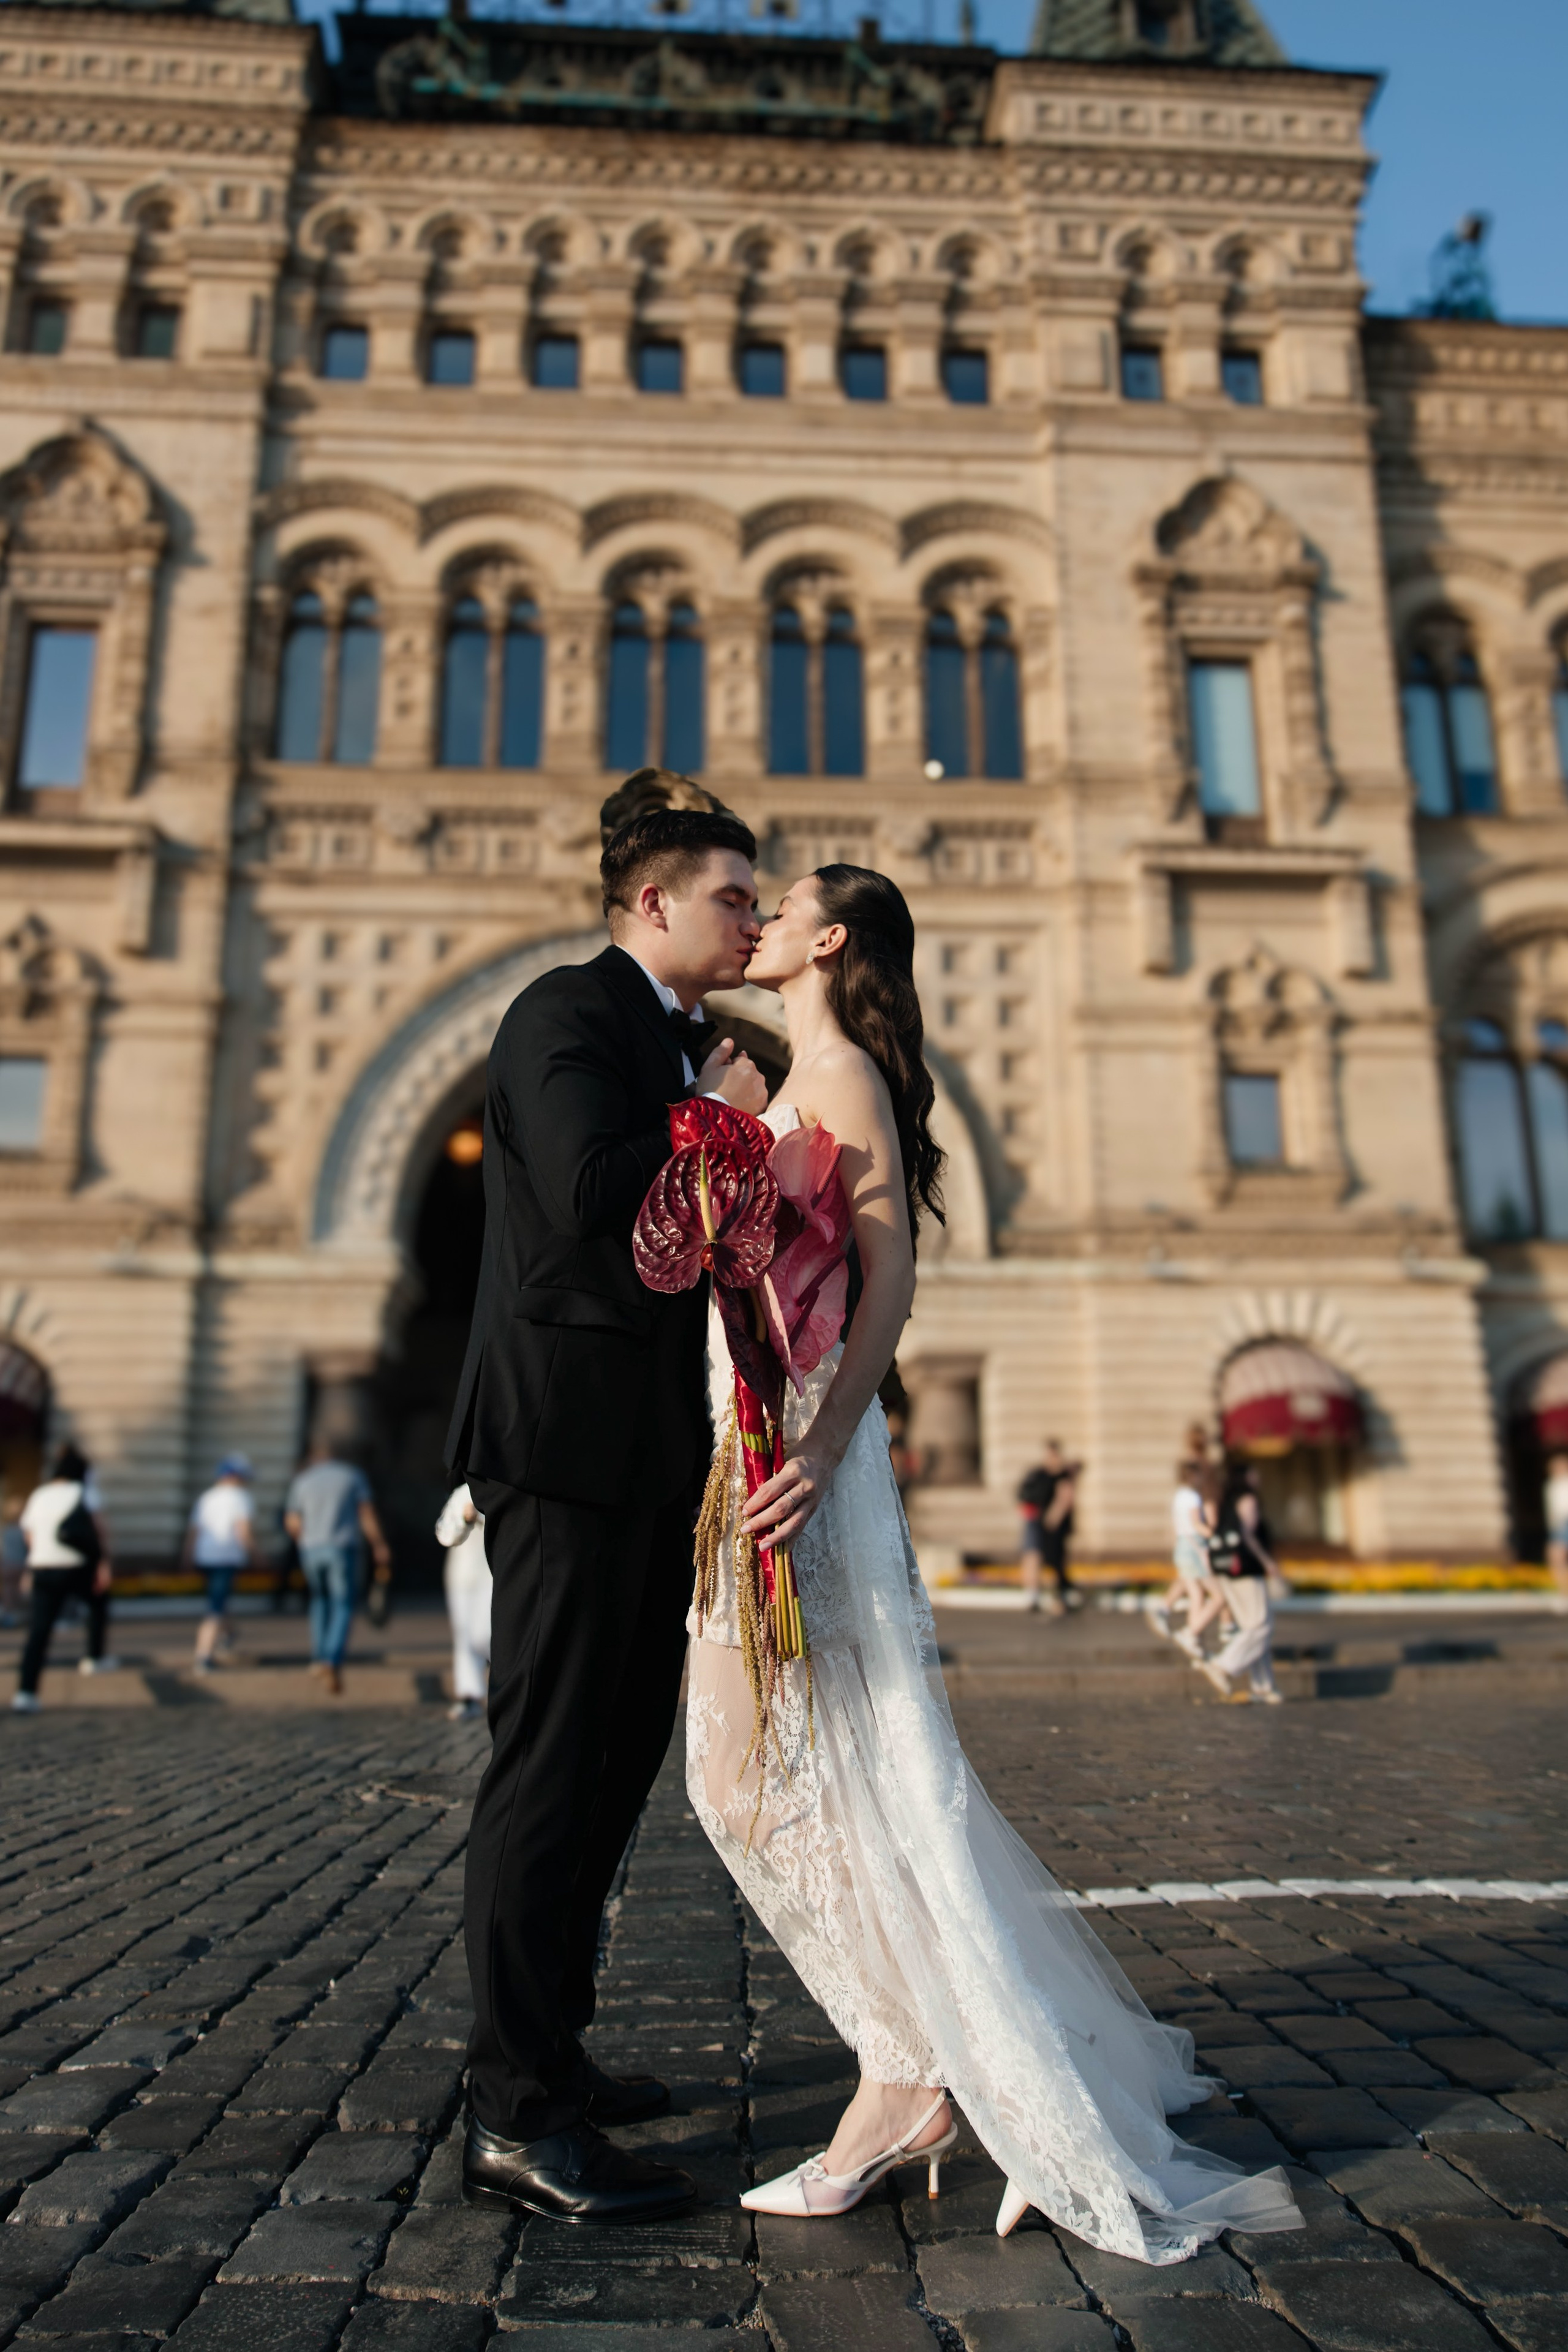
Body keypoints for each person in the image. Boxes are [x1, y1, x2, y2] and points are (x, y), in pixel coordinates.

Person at [687, 864, 1302, 2264]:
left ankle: (907, 2078)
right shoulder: (806, 1072)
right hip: (760, 1450)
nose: (757, 924)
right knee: (823, 1769)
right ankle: (929, 2070)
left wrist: (825, 1440)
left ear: (828, 938)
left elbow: (887, 1274)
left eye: (774, 907)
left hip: (790, 1463)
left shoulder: (834, 1071)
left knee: (748, 1777)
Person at [446, 791, 769, 2227]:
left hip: (644, 1452)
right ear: (652, 905)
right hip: (564, 1447)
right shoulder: (562, 1011)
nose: (750, 923)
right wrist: (724, 1124)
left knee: (611, 1761)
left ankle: (550, 2053)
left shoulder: (665, 1034)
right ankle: (513, 2110)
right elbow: (589, 1191)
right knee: (549, 1763)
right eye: (730, 899)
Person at [12, 1444, 116, 1712]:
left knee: (39, 1631)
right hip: (76, 1565)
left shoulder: (40, 1494)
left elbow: (29, 1533)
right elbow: (98, 1529)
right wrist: (103, 1564)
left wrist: (32, 1564)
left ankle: (26, 1692)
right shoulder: (85, 1492)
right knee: (98, 1604)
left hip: (43, 1566)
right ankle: (94, 1657)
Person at [282, 1442, 391, 1696]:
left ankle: (318, 1658)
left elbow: (292, 1521)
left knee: (319, 1600)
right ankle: (331, 1660)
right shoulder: (352, 1476)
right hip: (342, 1548)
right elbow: (366, 1513)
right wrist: (379, 1544)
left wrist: (305, 1543)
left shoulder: (303, 1480)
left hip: (311, 1549)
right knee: (342, 1603)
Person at [1195, 1462, 1286, 1705]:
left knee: (1252, 1628)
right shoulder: (1248, 1499)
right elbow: (1248, 1536)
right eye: (1254, 1473)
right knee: (1261, 1626)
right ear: (1246, 1476)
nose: (1258, 1477)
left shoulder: (1224, 1498)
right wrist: (1268, 1562)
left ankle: (1264, 1686)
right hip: (1246, 1570)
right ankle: (1222, 1665)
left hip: (1226, 1568)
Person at [181, 1455, 260, 1672]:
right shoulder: (241, 1497)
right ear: (236, 1477)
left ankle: (229, 1633)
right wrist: (256, 1556)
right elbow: (244, 1531)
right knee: (215, 1608)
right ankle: (204, 1655)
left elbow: (194, 1531)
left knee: (218, 1600)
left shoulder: (207, 1497)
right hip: (227, 1557)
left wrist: (187, 1557)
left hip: (204, 1557)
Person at [1152, 1455, 1228, 1659]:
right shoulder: (1193, 1497)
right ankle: (1191, 1633)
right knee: (1219, 1596)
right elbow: (1196, 1524)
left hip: (1182, 1547)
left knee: (1197, 1595)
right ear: (1193, 1476)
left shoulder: (1179, 1495)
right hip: (1194, 1548)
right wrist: (1213, 1534)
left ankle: (1193, 1638)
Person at [436, 1481, 491, 1722]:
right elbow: (446, 1535)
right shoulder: (462, 1493)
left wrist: (480, 1517)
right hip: (461, 1577)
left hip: (492, 1575)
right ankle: (469, 1696)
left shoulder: (502, 1488)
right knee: (464, 1636)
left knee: (484, 1634)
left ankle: (505, 1682)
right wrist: (466, 1520)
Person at [1017, 1440, 1079, 1614]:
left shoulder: (1063, 1476)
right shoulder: (1037, 1474)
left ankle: (1060, 1596)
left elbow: (1066, 1498)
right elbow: (1023, 1495)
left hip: (1055, 1526)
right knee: (1033, 1556)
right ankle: (1033, 1594)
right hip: (1036, 1522)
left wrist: (1054, 1518)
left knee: (1056, 1560)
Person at [1545, 1450, 1568, 1605]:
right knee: (1555, 1557)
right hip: (1558, 1526)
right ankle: (1563, 1594)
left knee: (1556, 1555)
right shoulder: (1551, 1485)